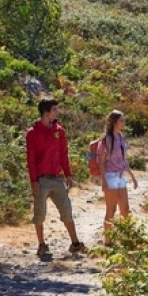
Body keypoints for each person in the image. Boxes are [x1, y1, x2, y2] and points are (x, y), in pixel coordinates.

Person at [25, 97, 86, 257]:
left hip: (57, 178)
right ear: (46, 112)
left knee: (66, 210)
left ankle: (75, 243)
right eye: (54, 109)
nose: (57, 112)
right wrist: (33, 181)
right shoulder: (32, 133)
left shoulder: (59, 131)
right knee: (40, 213)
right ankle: (41, 244)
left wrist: (68, 174)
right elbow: (30, 159)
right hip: (41, 179)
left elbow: (64, 154)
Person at [96, 110, 138, 245]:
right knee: (111, 210)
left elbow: (123, 160)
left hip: (120, 176)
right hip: (110, 176)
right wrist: (104, 181)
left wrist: (132, 176)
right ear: (114, 122)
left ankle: (126, 237)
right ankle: (108, 241)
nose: (124, 123)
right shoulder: (106, 140)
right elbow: (100, 162)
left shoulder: (121, 137)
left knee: (125, 209)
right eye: (121, 120)